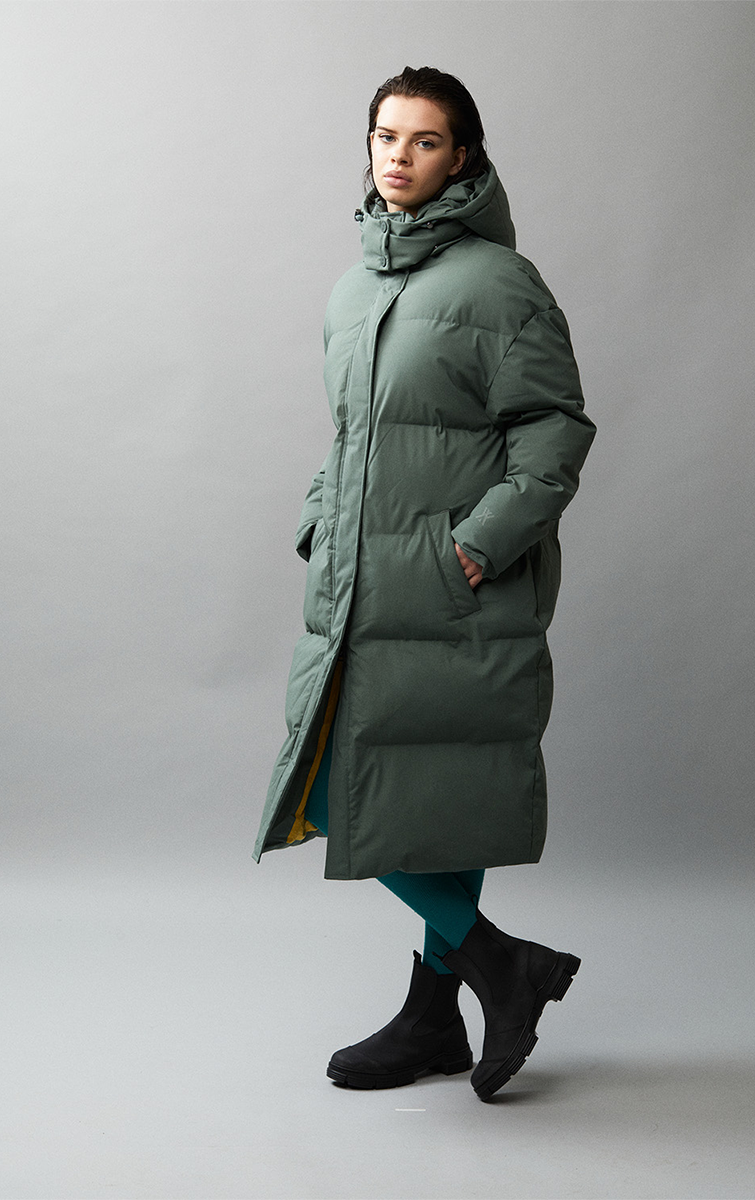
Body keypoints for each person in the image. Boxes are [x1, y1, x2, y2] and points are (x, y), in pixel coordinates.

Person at [253, 66, 596, 1101]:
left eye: (425, 140)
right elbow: (349, 436)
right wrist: (319, 517)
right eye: (384, 136)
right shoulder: (353, 288)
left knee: (427, 795)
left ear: (463, 157)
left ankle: (479, 978)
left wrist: (478, 545)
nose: (398, 156)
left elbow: (553, 433)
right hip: (361, 586)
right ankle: (452, 1001)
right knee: (369, 787)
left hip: (454, 589)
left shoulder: (501, 284)